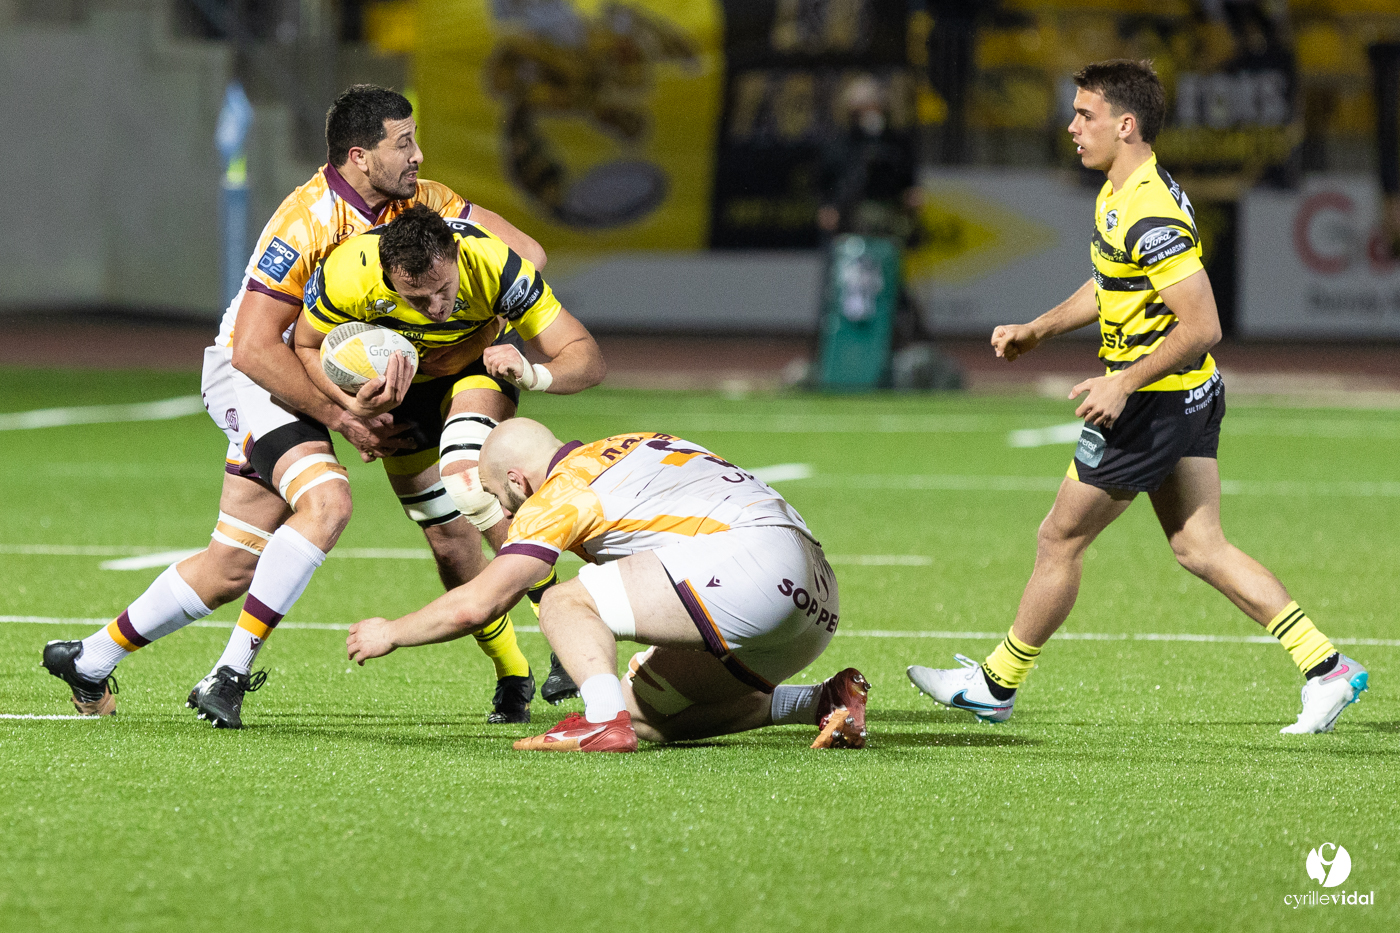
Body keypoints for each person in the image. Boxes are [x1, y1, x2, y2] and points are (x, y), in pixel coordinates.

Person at [42, 85, 571, 728]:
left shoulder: (423, 202)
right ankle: (228, 675)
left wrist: (455, 337)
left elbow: (526, 260)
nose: (417, 153)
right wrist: (344, 416)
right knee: (328, 501)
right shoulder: (307, 220)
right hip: (262, 378)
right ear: (359, 155)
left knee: (234, 563)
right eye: (403, 142)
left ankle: (91, 658)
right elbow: (254, 347)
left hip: (350, 382)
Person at [907, 60, 1368, 734]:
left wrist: (1123, 381)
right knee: (1200, 546)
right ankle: (1325, 667)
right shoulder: (1119, 193)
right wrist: (1040, 327)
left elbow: (1203, 322)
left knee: (1058, 537)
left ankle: (995, 684)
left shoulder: (1149, 210)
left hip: (1152, 405)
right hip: (1185, 396)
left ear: (1125, 125)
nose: (1071, 127)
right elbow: (1110, 285)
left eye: (1084, 115)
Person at [344, 418, 869, 752]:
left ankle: (599, 722)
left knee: (563, 602)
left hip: (749, 565)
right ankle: (822, 701)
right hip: (816, 596)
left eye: (496, 495)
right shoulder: (634, 441)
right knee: (648, 714)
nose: (502, 511)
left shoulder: (558, 492)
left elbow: (479, 604)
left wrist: (391, 632)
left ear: (518, 480)